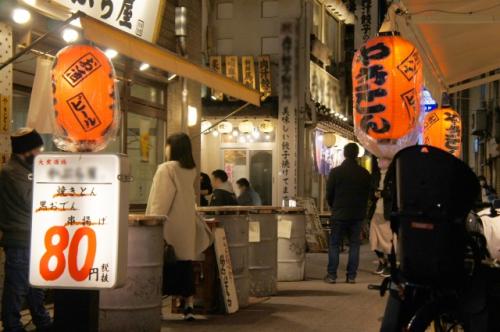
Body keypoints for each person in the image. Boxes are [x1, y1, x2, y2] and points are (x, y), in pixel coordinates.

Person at [0, 128, 52, 332]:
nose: (40, 153)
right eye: (37, 149)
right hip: (20, 238)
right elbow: (32, 201)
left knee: (35, 285)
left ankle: (42, 320)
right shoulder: (11, 172)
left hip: (33, 237)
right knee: (17, 287)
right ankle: (12, 325)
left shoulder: (26, 170)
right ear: (26, 150)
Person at [146, 133, 198, 321]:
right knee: (185, 265)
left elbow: (160, 201)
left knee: (163, 266)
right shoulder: (189, 170)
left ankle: (156, 307)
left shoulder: (166, 169)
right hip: (185, 226)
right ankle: (189, 306)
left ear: (172, 147)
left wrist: (152, 223)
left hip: (168, 227)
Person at [324, 143, 371, 284]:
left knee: (334, 245)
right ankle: (351, 276)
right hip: (357, 215)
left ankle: (332, 275)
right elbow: (366, 195)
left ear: (344, 154)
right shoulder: (364, 173)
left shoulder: (336, 172)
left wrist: (335, 207)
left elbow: (329, 194)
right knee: (354, 245)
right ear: (357, 155)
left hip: (339, 213)